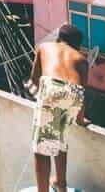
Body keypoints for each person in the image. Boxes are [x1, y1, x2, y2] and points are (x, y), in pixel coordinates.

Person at [27, 23, 89, 192]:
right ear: (77, 45)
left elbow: (33, 79)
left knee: (42, 149)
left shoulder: (45, 47)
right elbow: (82, 93)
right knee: (59, 139)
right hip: (74, 93)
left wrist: (42, 101)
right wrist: (81, 120)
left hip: (53, 89)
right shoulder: (82, 59)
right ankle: (60, 183)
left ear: (59, 38)